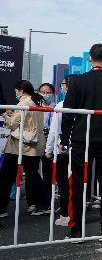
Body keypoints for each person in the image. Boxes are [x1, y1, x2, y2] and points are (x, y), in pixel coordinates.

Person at [61, 44, 102, 240]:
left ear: (90, 58)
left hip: (82, 139)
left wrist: (65, 138)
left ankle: (76, 231)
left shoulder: (78, 82)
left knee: (78, 184)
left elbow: (68, 113)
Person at [0, 80, 50, 218]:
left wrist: (6, 116)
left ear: (21, 91)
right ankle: (42, 204)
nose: (16, 93)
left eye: (16, 91)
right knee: (33, 175)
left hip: (18, 145)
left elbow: (11, 124)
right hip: (34, 145)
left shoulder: (22, 104)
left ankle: (2, 208)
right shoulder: (37, 102)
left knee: (6, 176)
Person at [46, 75, 77, 226]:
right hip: (80, 148)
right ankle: (74, 215)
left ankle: (65, 215)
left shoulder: (61, 105)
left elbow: (54, 130)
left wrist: (48, 148)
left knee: (63, 182)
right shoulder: (84, 103)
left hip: (63, 148)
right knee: (77, 183)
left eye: (63, 84)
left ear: (67, 86)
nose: (62, 86)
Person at [38, 82, 56, 209]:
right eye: (42, 92)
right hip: (37, 140)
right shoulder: (35, 106)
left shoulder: (57, 107)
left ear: (53, 94)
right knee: (33, 171)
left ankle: (47, 200)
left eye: (48, 92)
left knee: (47, 171)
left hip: (51, 142)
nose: (45, 95)